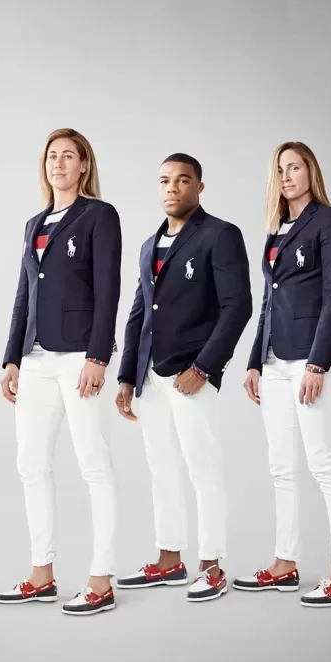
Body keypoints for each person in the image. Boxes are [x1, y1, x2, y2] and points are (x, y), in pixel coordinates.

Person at [114, 153, 252, 603]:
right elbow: (139, 313)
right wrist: (127, 377)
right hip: (151, 379)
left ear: (199, 187)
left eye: (182, 180)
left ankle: (212, 565)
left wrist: (204, 368)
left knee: (202, 468)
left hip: (191, 375)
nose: (172, 188)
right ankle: (169, 559)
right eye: (164, 181)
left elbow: (238, 306)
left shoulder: (220, 235)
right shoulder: (148, 245)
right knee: (161, 468)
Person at [0, 127, 123, 617]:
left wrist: (98, 356)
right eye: (52, 156)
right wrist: (12, 357)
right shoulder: (33, 224)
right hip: (35, 359)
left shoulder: (100, 216)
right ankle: (42, 574)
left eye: (69, 156)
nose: (59, 163)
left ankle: (100, 578)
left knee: (94, 464)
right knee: (31, 465)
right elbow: (23, 294)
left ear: (84, 166)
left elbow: (108, 290)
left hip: (77, 357)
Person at [235, 141, 331, 607]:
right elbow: (268, 300)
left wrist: (317, 361)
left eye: (295, 167)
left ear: (311, 170)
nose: (287, 176)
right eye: (280, 170)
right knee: (281, 466)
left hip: (311, 359)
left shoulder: (330, 221)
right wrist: (252, 359)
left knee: (323, 463)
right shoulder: (275, 230)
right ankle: (285, 565)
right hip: (273, 362)